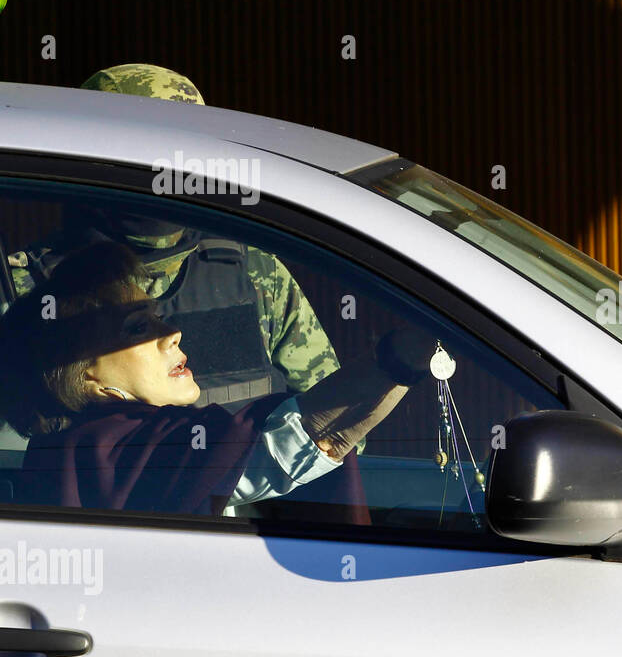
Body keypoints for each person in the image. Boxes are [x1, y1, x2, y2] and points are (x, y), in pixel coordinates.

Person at [0, 243, 433, 518]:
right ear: (86, 374)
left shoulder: (86, 444)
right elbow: (294, 444)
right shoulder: (111, 449)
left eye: (157, 319)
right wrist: (402, 356)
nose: (172, 334)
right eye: (136, 329)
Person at [7, 64, 342, 409]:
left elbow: (335, 426)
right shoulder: (25, 291)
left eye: (184, 150)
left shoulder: (256, 272)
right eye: (149, 153)